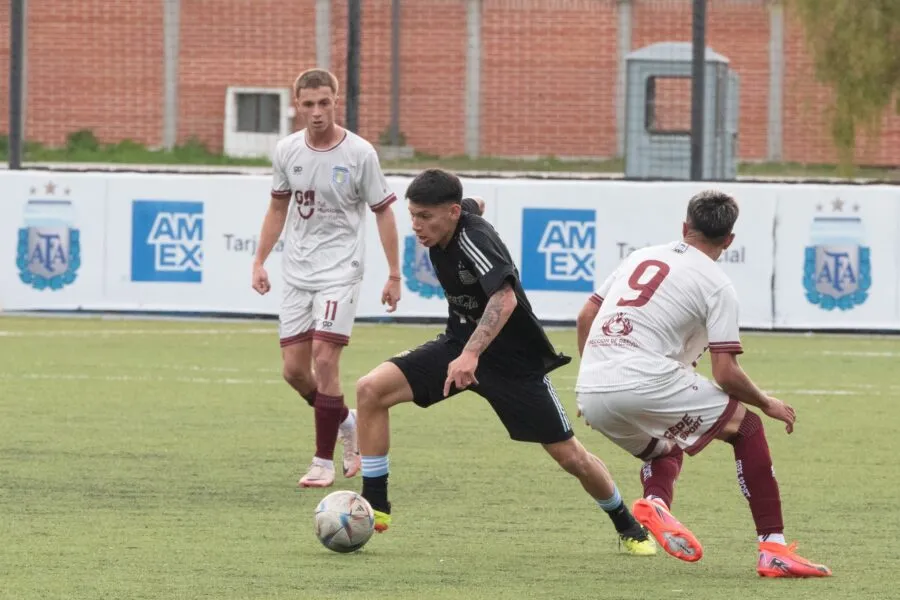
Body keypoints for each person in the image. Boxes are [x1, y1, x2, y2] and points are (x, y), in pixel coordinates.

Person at [354, 168, 656, 556]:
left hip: (513, 364)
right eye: (412, 215)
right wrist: (464, 349)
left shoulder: (475, 238)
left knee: (570, 456)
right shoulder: (454, 215)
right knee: (370, 390)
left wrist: (471, 355)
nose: (416, 226)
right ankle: (375, 504)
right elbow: (474, 203)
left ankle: (627, 525)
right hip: (458, 344)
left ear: (449, 213)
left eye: (424, 217)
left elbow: (504, 299)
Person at [574, 190, 832, 578]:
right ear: (729, 240)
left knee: (664, 451)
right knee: (746, 427)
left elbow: (587, 314)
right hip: (646, 378)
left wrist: (594, 375)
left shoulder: (640, 256)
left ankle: (656, 503)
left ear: (684, 227)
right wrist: (766, 402)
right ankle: (774, 549)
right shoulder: (717, 285)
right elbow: (725, 373)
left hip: (592, 386)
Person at [251, 68, 401, 488]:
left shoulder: (360, 154)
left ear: (336, 102)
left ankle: (322, 461)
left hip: (341, 270)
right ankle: (345, 421)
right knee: (294, 372)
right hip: (298, 273)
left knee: (324, 357)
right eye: (308, 104)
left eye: (324, 103)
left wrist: (394, 273)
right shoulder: (286, 151)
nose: (316, 113)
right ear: (296, 105)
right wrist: (259, 260)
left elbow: (383, 211)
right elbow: (278, 208)